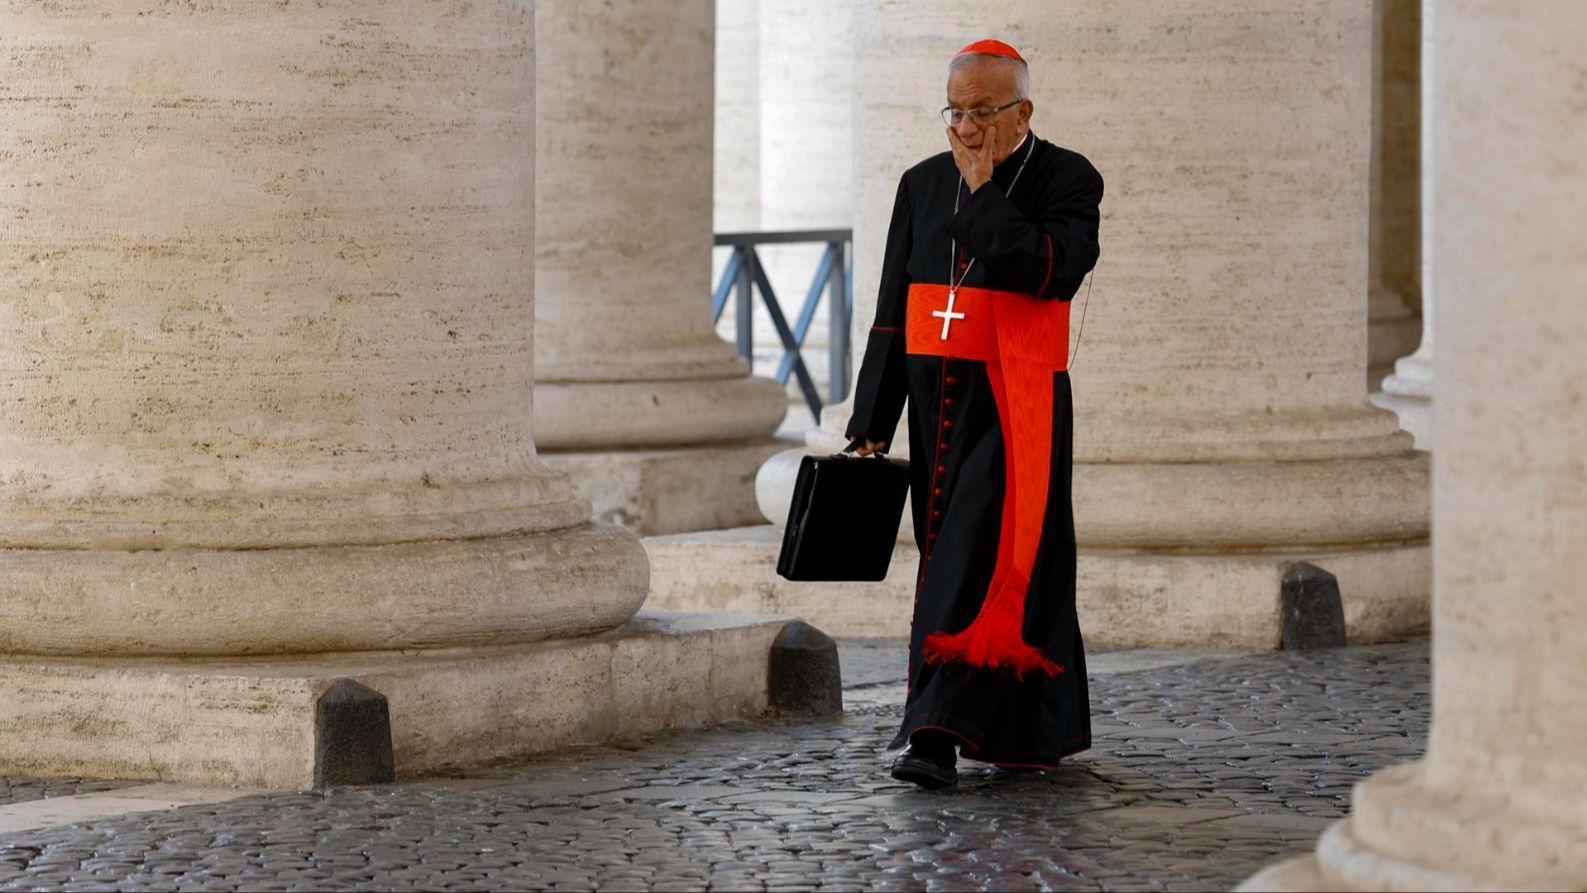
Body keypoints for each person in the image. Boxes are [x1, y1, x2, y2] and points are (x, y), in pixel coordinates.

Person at [846, 39, 1103, 789]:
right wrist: (873, 417)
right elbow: (894, 305)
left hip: (1015, 402)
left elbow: (1049, 270)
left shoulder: (1067, 177)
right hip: (936, 403)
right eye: (955, 111)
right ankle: (1020, 732)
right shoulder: (921, 182)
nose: (965, 127)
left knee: (975, 551)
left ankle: (933, 735)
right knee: (949, 555)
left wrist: (985, 191)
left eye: (983, 111)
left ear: (1022, 111)